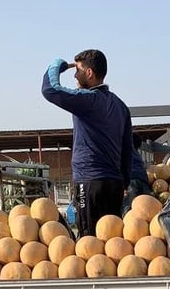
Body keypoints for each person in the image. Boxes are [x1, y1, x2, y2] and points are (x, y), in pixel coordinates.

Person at [42, 49, 134, 237]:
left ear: (89, 73)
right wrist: (124, 182)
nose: (75, 75)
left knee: (89, 242)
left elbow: (50, 90)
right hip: (114, 184)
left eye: (78, 70)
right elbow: (127, 149)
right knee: (112, 241)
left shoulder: (89, 100)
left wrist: (59, 65)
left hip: (90, 182)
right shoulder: (120, 106)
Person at [122, 133, 151, 215]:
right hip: (143, 181)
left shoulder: (122, 148)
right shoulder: (136, 154)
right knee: (147, 209)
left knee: (128, 209)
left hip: (131, 180)